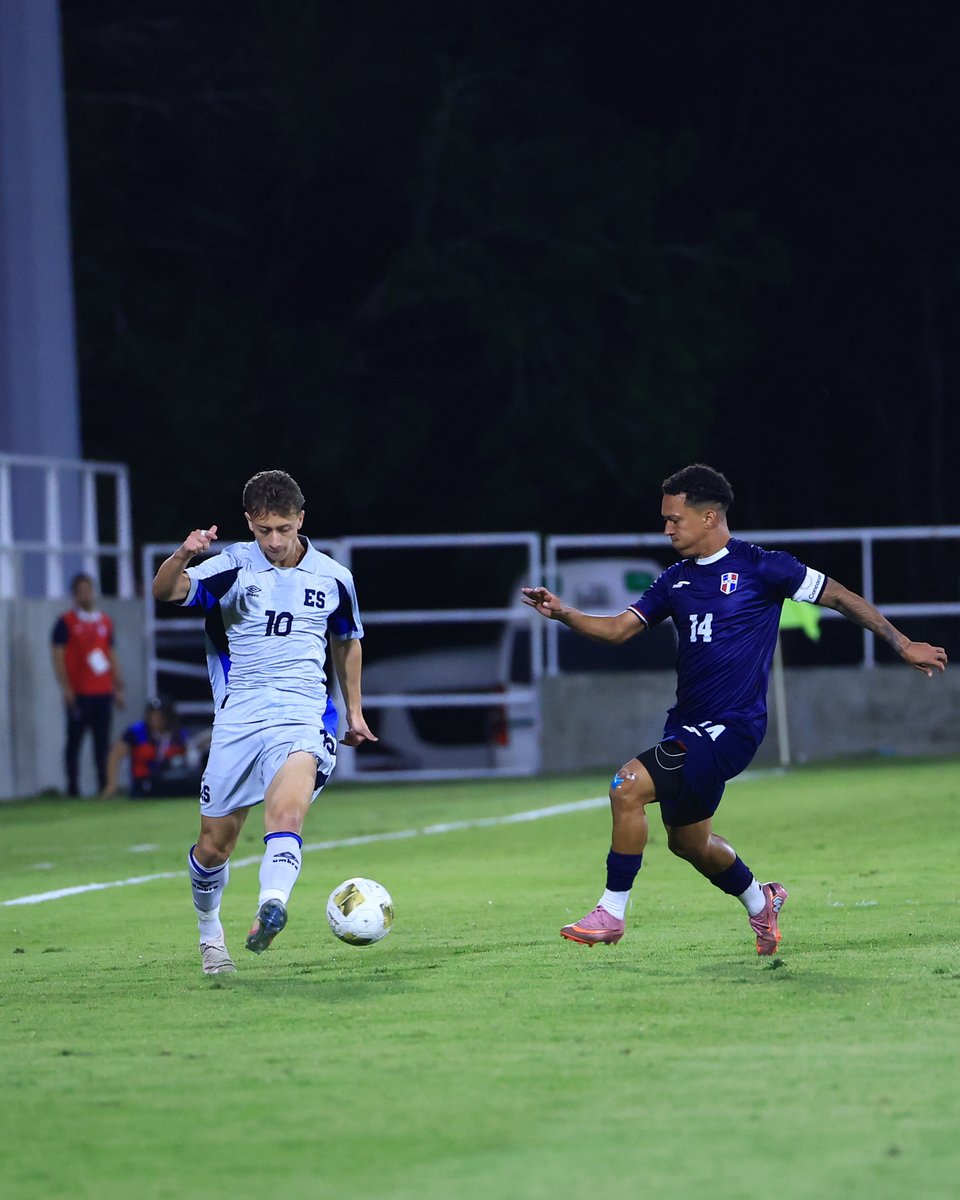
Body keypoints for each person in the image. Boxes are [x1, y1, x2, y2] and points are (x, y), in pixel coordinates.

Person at [521, 464, 948, 956]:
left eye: (674, 519)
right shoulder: (674, 580)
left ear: (708, 517)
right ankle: (760, 900)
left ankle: (611, 912)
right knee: (689, 843)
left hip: (733, 726)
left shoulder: (763, 566)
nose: (666, 528)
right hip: (685, 725)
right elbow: (619, 629)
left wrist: (901, 643)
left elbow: (840, 597)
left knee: (627, 786)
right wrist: (564, 612)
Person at [152, 469, 377, 975]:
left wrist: (354, 711)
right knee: (214, 847)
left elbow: (347, 640)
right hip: (240, 720)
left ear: (301, 519)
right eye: (263, 530)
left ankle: (272, 904)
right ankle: (211, 935)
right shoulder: (231, 567)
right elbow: (166, 591)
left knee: (288, 814)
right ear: (249, 523)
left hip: (303, 716)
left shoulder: (333, 577)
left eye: (283, 529)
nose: (274, 541)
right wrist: (184, 554)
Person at [51, 572, 126, 796]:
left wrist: (118, 686)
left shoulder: (104, 621)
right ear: (75, 595)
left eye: (88, 590)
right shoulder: (65, 623)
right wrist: (66, 689)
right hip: (80, 693)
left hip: (102, 691)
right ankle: (72, 788)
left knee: (101, 743)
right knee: (74, 742)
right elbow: (57, 656)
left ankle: (104, 787)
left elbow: (110, 654)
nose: (85, 595)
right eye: (80, 591)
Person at [100, 697, 197, 799]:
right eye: (153, 715)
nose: (156, 719)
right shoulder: (136, 732)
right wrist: (112, 783)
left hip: (171, 784)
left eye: (160, 715)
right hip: (142, 785)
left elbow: (191, 756)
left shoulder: (178, 734)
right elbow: (115, 754)